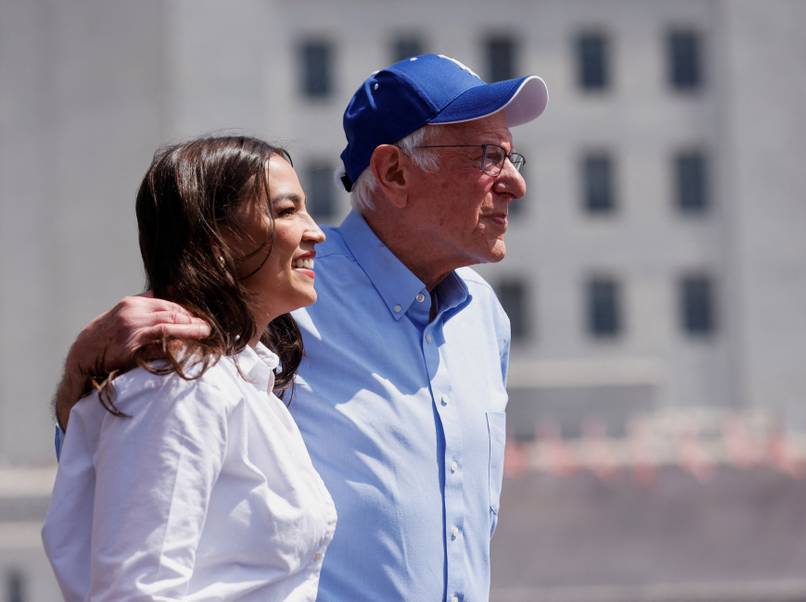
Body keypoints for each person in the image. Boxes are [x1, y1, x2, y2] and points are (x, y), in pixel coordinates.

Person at [53, 54, 548, 601]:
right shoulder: (272, 294)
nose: (516, 184)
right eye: (488, 155)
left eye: (510, 155)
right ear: (394, 171)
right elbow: (136, 452)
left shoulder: (485, 317)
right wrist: (83, 370)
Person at [43, 136, 336, 601]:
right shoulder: (183, 387)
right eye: (286, 211)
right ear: (216, 240)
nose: (316, 231)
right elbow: (139, 591)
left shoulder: (241, 380)